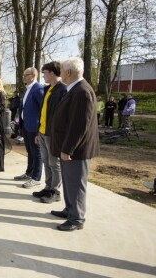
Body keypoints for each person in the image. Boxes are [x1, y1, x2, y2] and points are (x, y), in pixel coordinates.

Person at [50, 57, 100, 231]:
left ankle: (77, 219)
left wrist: (67, 149)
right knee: (69, 182)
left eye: (62, 70)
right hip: (70, 148)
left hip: (76, 150)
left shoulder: (82, 91)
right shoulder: (75, 89)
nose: (60, 73)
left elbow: (79, 125)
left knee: (76, 184)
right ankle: (70, 210)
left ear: (69, 72)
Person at [32, 61, 66, 203]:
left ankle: (55, 191)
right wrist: (37, 132)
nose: (43, 76)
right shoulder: (47, 89)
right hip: (42, 131)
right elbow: (43, 112)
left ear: (52, 73)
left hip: (53, 134)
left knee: (54, 163)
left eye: (44, 73)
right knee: (46, 161)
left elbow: (62, 115)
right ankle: (48, 187)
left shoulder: (62, 90)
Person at [15, 67, 44, 189]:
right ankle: (29, 173)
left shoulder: (38, 89)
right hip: (26, 125)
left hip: (34, 126)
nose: (24, 77)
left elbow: (43, 109)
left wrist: (39, 129)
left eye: (26, 75)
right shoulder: (28, 89)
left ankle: (36, 178)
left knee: (37, 153)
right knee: (30, 151)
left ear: (33, 75)